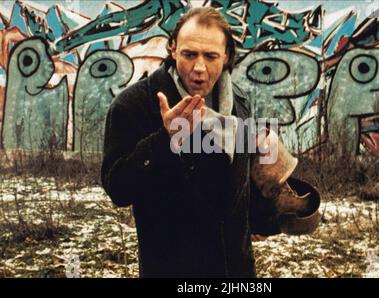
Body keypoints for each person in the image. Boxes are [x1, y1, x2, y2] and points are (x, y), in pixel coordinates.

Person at [101, 7, 282, 278]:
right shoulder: (134, 105)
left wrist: (262, 216)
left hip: (235, 270)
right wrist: (165, 141)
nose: (199, 68)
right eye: (189, 54)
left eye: (210, 56)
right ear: (173, 49)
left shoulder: (238, 102)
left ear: (227, 56)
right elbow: (118, 188)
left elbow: (239, 178)